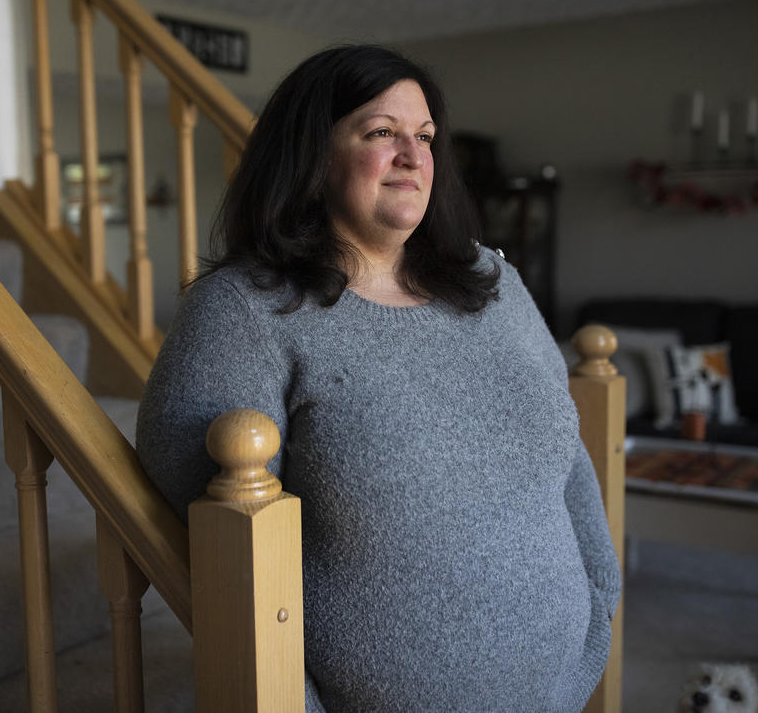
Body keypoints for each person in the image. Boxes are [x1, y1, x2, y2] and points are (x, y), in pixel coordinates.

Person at [136, 45, 621, 712]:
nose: (414, 157)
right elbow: (216, 551)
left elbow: (568, 459)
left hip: (561, 693)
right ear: (312, 154)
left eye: (424, 137)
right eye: (381, 133)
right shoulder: (245, 309)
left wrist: (600, 598)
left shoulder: (493, 282)